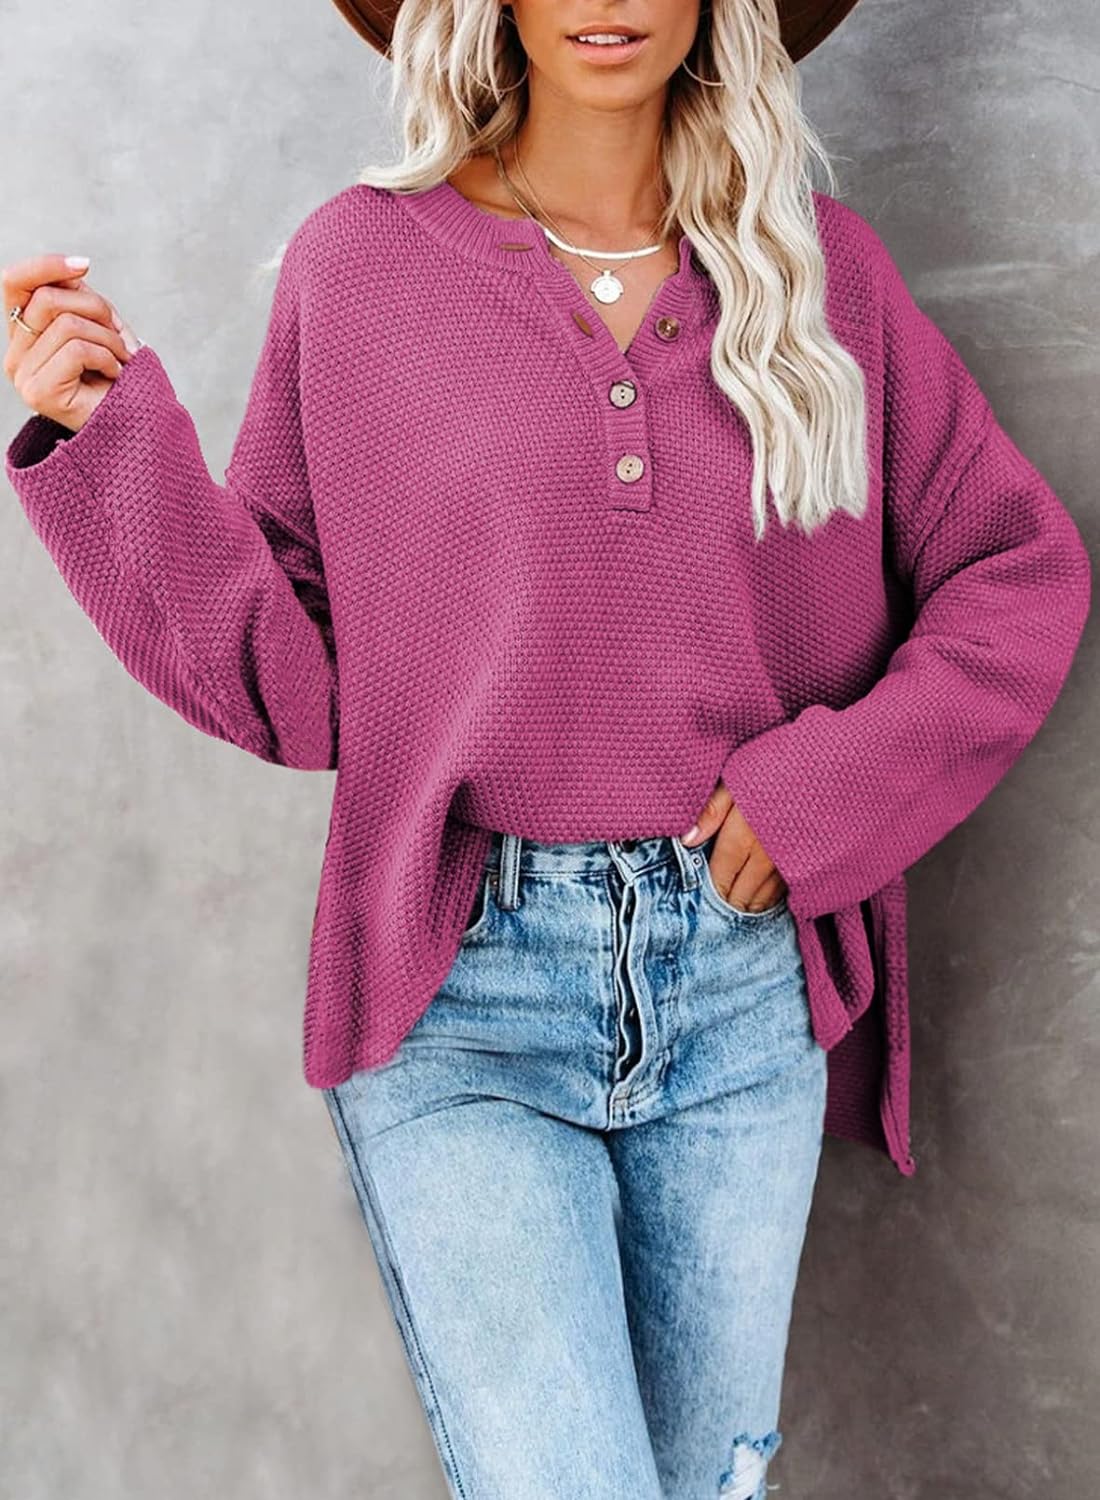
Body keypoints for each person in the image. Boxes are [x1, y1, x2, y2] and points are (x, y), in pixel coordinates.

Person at [3, 2, 1091, 1497]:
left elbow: (1017, 569)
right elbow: (304, 682)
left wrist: (823, 795)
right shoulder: (361, 268)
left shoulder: (821, 274)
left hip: (741, 1001)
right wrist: (109, 443)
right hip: (465, 992)